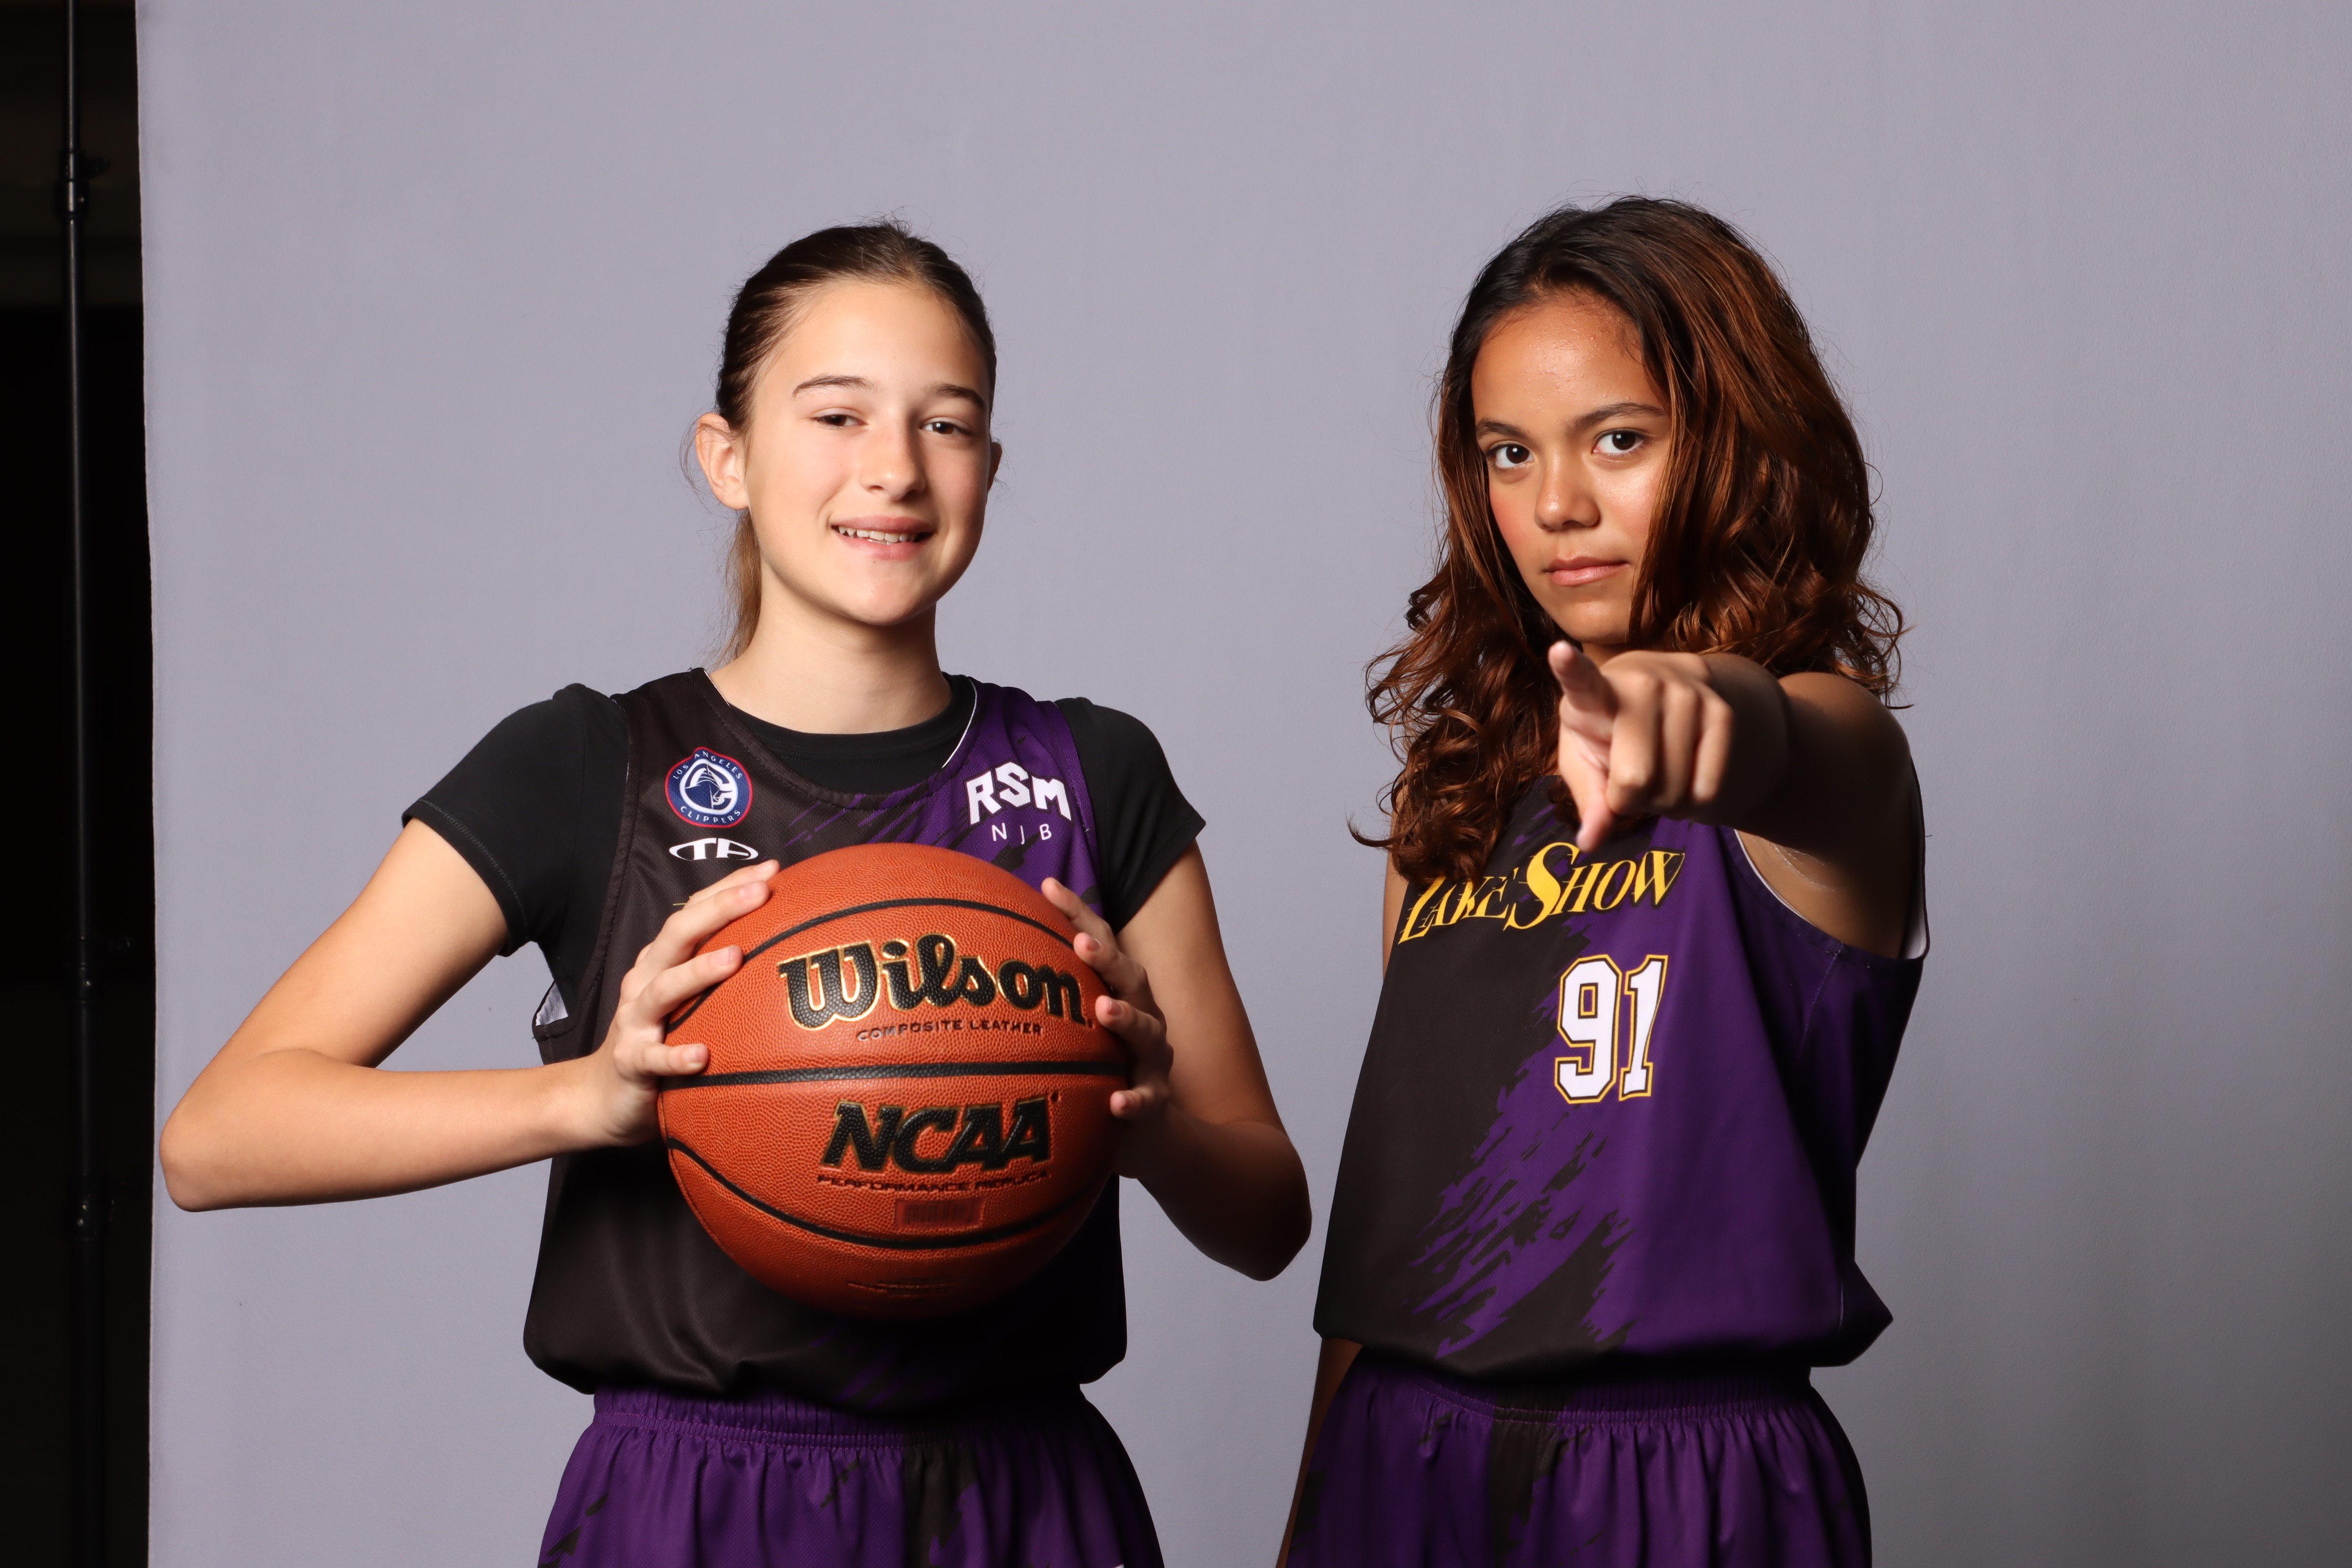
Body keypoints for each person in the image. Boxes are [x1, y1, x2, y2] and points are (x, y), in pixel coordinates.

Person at [159, 221, 1311, 1568]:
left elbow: (1269, 1221)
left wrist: (1149, 1128)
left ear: (989, 470)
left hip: (1024, 1497)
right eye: (837, 415)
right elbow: (217, 1139)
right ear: (728, 458)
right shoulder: (589, 763)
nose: (895, 467)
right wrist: (589, 1098)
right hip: (700, 1501)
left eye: (945, 424)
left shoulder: (1093, 770)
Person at [1281, 198, 1925, 1568]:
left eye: (1619, 439)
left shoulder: (1836, 758)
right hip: (1401, 1444)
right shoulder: (1448, 798)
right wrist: (1312, 1514)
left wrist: (1697, 704)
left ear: (1739, 444)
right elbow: (1396, 1217)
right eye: (1509, 452)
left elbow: (1778, 739)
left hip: (1683, 1473)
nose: (1557, 505)